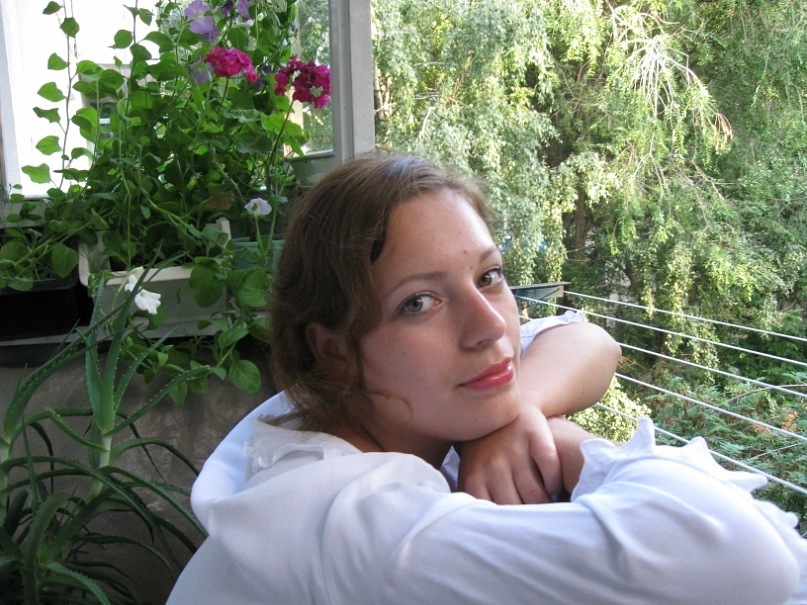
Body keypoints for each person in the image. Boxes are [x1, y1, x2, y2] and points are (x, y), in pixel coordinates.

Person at [168, 155, 806, 605]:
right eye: (420, 302)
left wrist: (519, 410)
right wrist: (562, 438)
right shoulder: (352, 523)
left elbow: (588, 340)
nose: (490, 326)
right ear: (333, 349)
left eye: (489, 277)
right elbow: (749, 559)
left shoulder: (350, 409)